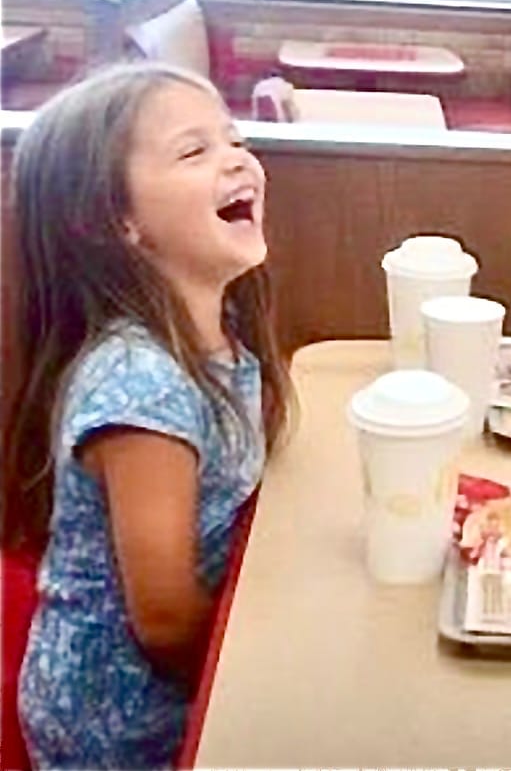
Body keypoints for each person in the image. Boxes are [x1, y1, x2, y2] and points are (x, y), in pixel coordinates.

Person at [1, 63, 293, 768]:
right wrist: (268, 684)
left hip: (188, 660)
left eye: (234, 138)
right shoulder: (140, 387)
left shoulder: (215, 330)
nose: (236, 158)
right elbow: (162, 620)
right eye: (194, 151)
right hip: (120, 729)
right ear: (115, 222)